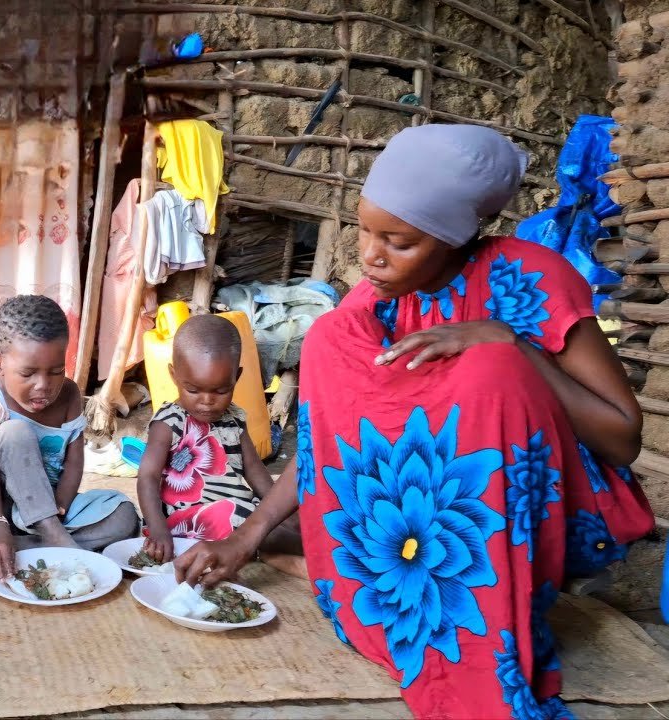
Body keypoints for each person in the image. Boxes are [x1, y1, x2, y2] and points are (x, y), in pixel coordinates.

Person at [175, 124, 654, 719]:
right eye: (365, 231)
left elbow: (622, 439)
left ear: (457, 237)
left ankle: (475, 625)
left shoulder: (528, 277)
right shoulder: (381, 296)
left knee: (491, 369)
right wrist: (245, 537)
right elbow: (331, 433)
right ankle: (396, 595)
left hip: (551, 501)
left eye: (397, 241)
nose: (370, 256)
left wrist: (514, 346)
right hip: (424, 523)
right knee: (330, 339)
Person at [0, 295, 139, 580]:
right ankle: (49, 543)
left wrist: (61, 505)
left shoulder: (69, 393)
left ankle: (33, 546)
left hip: (54, 510)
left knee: (123, 512)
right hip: (2, 514)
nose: (43, 386)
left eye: (56, 371)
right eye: (28, 373)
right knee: (13, 433)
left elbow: (74, 461)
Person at [135, 315, 274, 560]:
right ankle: (315, 548)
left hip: (235, 514)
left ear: (236, 378)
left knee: (276, 519)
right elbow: (148, 476)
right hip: (186, 523)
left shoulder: (235, 418)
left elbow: (255, 471)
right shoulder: (168, 422)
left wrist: (277, 509)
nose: (207, 401)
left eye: (221, 390)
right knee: (261, 528)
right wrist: (157, 529)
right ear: (173, 375)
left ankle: (307, 543)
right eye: (193, 390)